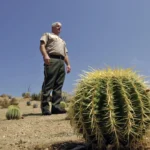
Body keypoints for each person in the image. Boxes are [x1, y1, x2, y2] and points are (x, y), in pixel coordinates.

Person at [39, 22, 71, 115]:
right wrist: (45, 55)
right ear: (52, 27)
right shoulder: (47, 35)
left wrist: (68, 64)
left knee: (58, 85)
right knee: (48, 83)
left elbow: (65, 54)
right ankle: (45, 108)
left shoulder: (62, 41)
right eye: (57, 26)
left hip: (61, 62)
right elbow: (42, 45)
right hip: (52, 59)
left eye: (60, 27)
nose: (59, 28)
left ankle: (56, 107)